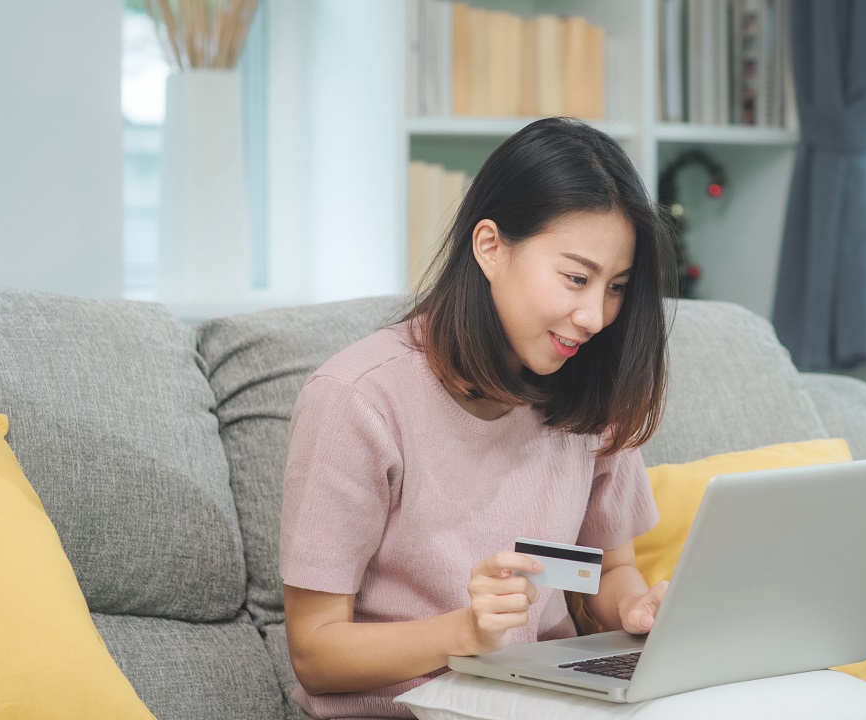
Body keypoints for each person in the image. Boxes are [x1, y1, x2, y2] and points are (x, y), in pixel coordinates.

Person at [279, 117, 678, 719]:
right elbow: (315, 652)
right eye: (576, 278)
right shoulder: (357, 399)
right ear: (490, 246)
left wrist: (632, 611)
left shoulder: (586, 391)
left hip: (551, 704)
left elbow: (609, 571)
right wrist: (465, 632)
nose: (596, 316)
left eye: (616, 287)